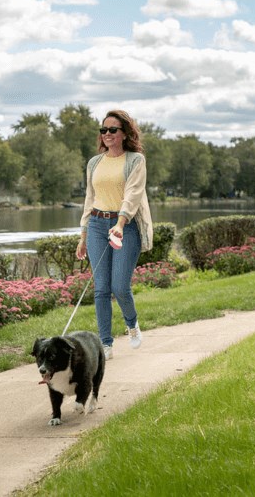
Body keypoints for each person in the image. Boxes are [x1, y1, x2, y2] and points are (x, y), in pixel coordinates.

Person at [76, 109, 153, 361]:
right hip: (97, 224)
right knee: (100, 289)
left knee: (120, 286)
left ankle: (132, 324)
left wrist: (120, 223)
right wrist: (83, 235)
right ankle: (105, 344)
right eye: (103, 130)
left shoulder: (135, 160)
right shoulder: (94, 163)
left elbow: (132, 195)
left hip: (125, 226)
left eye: (112, 130)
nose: (107, 134)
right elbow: (90, 198)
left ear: (124, 133)